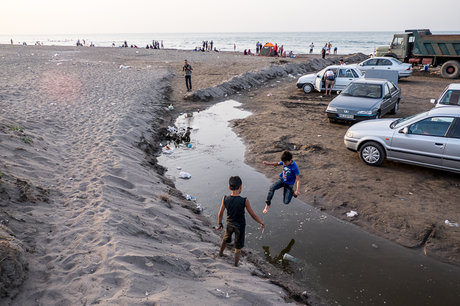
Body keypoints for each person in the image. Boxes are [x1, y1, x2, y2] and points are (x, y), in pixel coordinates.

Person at [217, 176, 265, 266]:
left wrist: (220, 223)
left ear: (229, 187)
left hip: (229, 224)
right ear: (240, 187)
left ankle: (220, 253)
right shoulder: (244, 200)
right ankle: (235, 264)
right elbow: (252, 215)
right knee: (238, 246)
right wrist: (261, 222)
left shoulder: (225, 198)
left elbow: (220, 213)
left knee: (225, 239)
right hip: (240, 226)